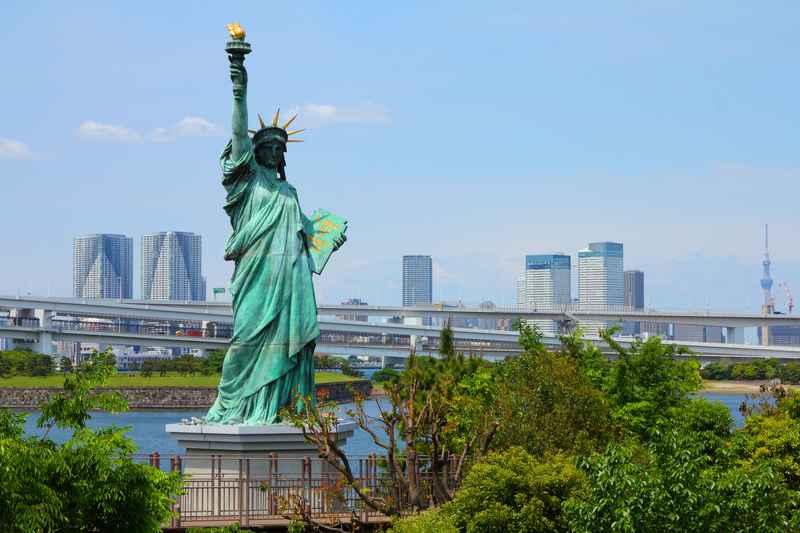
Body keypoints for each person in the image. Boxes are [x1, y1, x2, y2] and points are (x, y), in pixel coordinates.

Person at [205, 57, 345, 425]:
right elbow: (238, 135)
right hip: (257, 275)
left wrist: (329, 237)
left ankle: (284, 405)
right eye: (270, 145)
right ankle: (235, 406)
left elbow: (306, 235)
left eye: (282, 148)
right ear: (256, 152)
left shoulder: (289, 191)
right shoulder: (246, 184)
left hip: (291, 278)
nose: (278, 151)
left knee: (291, 341)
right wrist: (239, 88)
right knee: (246, 339)